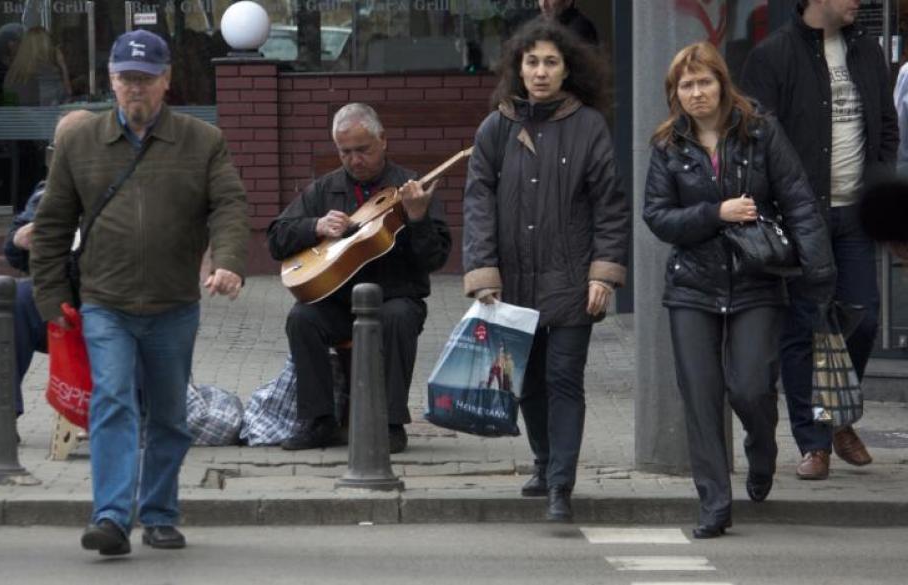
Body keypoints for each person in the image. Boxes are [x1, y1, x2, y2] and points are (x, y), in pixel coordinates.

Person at [30, 30, 249, 556]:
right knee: (113, 402)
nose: (136, 90)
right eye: (127, 80)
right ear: (111, 81)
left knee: (170, 416)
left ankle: (159, 513)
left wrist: (230, 263)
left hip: (174, 304)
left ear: (166, 81)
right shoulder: (80, 143)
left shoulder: (202, 140)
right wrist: (50, 298)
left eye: (146, 80)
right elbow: (53, 223)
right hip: (106, 302)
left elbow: (230, 206)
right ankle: (109, 517)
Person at [644, 42, 835, 539]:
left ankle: (762, 445)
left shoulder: (760, 132)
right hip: (692, 286)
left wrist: (818, 272)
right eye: (686, 85)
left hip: (756, 280)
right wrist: (715, 213)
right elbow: (658, 217)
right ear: (675, 94)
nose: (697, 92)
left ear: (723, 84)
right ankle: (714, 503)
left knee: (750, 387)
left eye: (705, 81)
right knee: (701, 397)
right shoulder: (667, 146)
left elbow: (797, 199)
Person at [463, 18, 630, 522]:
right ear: (518, 67)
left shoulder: (589, 126)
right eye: (531, 61)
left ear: (566, 70)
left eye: (550, 62)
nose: (540, 71)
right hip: (512, 283)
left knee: (563, 380)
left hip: (572, 282)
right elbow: (477, 203)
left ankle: (561, 484)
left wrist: (603, 274)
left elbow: (610, 205)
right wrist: (483, 272)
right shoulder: (497, 126)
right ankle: (543, 461)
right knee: (528, 384)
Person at [740, 0, 899, 480]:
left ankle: (838, 416)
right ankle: (814, 442)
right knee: (803, 327)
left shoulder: (868, 51)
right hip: (802, 215)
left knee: (865, 317)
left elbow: (887, 128)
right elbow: (755, 142)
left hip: (854, 212)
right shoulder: (772, 57)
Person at [267, 103, 452, 454]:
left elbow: (435, 258)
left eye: (362, 150)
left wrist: (418, 219)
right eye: (345, 152)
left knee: (398, 317)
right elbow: (277, 238)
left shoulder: (411, 188)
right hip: (338, 302)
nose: (354, 160)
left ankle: (390, 423)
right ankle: (319, 421)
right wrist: (314, 226)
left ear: (383, 140)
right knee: (302, 318)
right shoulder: (325, 189)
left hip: (395, 296)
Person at [0, 109, 95, 449]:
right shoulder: (48, 190)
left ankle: (138, 414)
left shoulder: (122, 186)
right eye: (58, 148)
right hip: (60, 300)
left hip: (111, 299)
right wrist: (19, 241)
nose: (63, 156)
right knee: (16, 300)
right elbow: (14, 248)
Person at [3, 26, 72, 106]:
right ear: (46, 47)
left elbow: (9, 107)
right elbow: (66, 97)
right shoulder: (48, 74)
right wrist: (63, 65)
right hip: (44, 117)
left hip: (19, 118)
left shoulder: (12, 76)